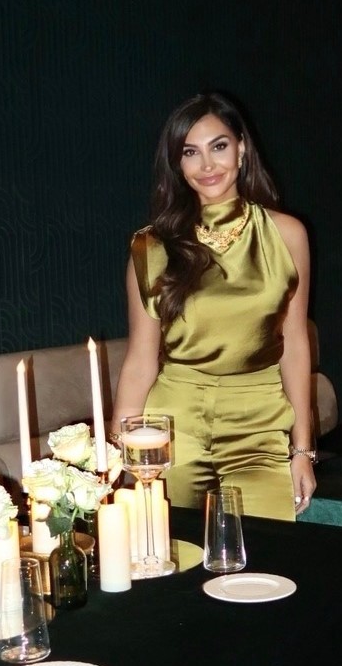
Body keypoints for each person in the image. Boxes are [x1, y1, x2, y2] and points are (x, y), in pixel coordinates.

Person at [111, 91, 316, 520]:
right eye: (191, 153)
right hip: (174, 424)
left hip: (258, 423)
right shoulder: (151, 247)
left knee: (267, 564)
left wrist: (302, 450)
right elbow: (140, 362)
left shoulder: (286, 234)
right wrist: (122, 459)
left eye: (218, 146)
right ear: (177, 164)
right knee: (176, 563)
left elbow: (295, 346)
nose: (207, 166)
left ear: (241, 149)